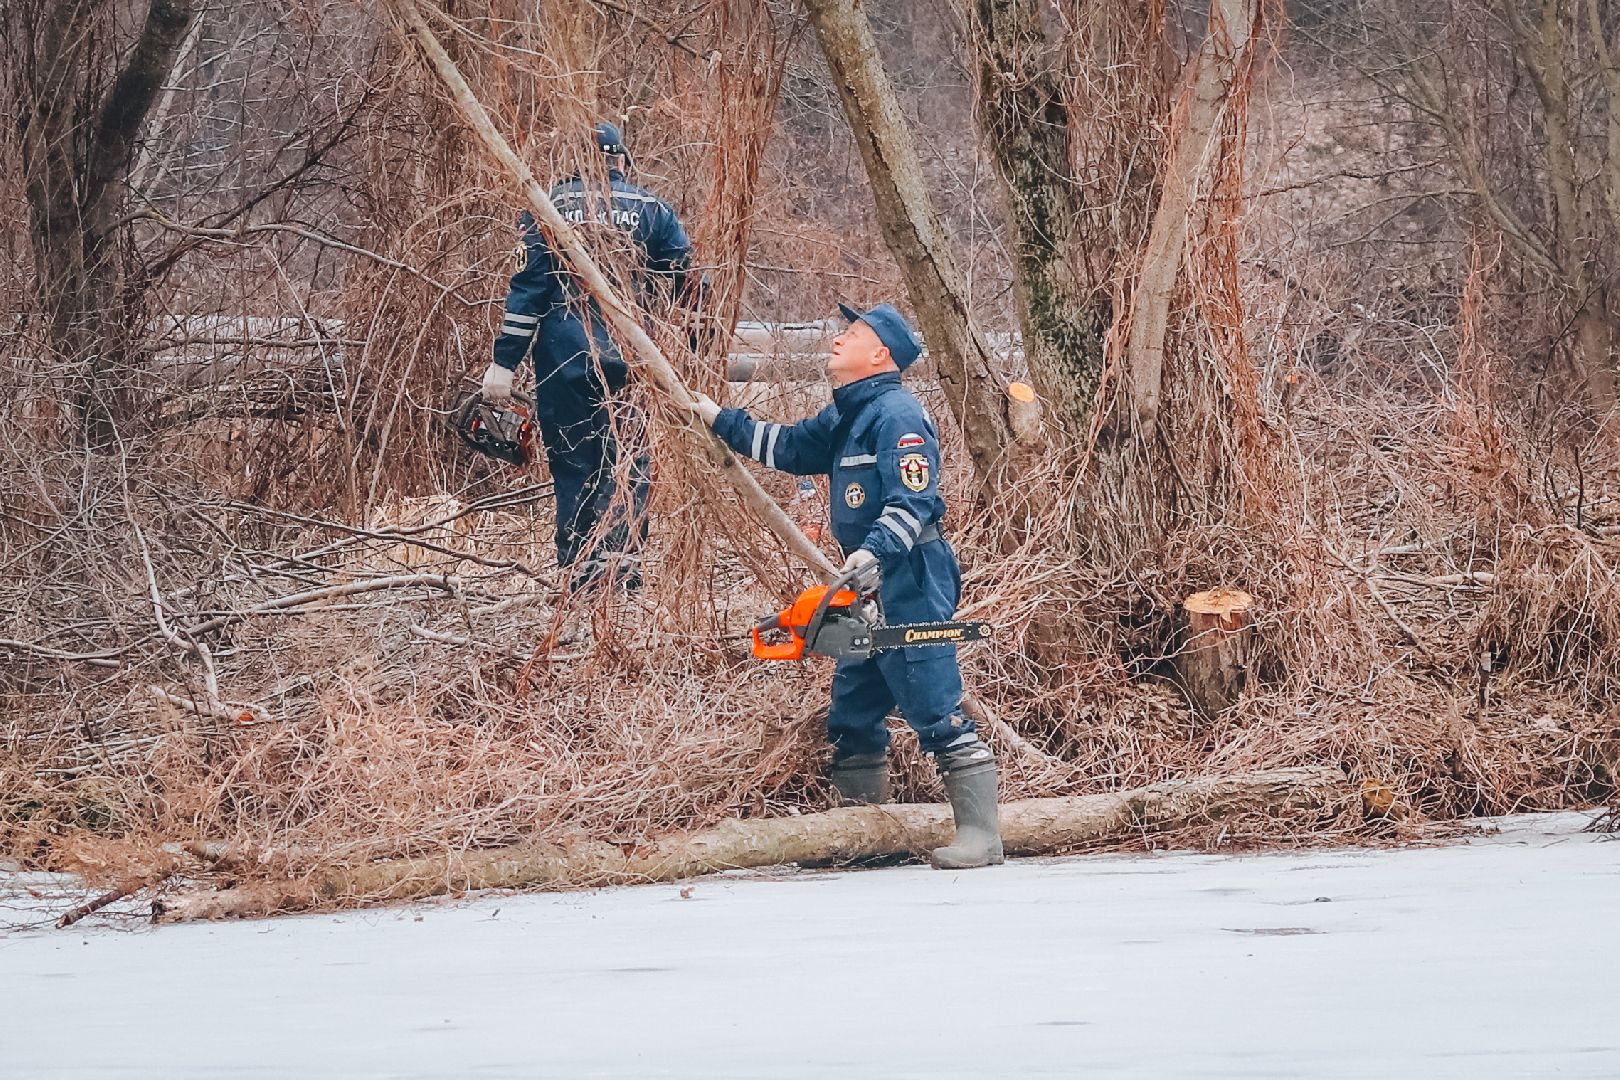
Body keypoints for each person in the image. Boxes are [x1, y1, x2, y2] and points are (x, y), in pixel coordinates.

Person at [690, 303, 1004, 869]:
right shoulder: (848, 413)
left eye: (851, 334)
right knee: (854, 709)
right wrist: (719, 418)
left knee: (932, 700)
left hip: (910, 575)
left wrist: (872, 553)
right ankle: (866, 835)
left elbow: (916, 502)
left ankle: (982, 837)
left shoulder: (898, 416)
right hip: (865, 580)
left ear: (880, 352)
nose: (836, 340)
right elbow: (787, 447)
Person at [479, 121, 700, 592]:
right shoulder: (652, 209)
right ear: (620, 161)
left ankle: (579, 568)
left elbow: (528, 292)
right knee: (629, 457)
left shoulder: (546, 208)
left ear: (574, 163)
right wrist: (690, 349)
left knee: (574, 459)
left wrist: (504, 361)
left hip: (564, 355)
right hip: (634, 355)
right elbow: (687, 283)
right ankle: (621, 568)